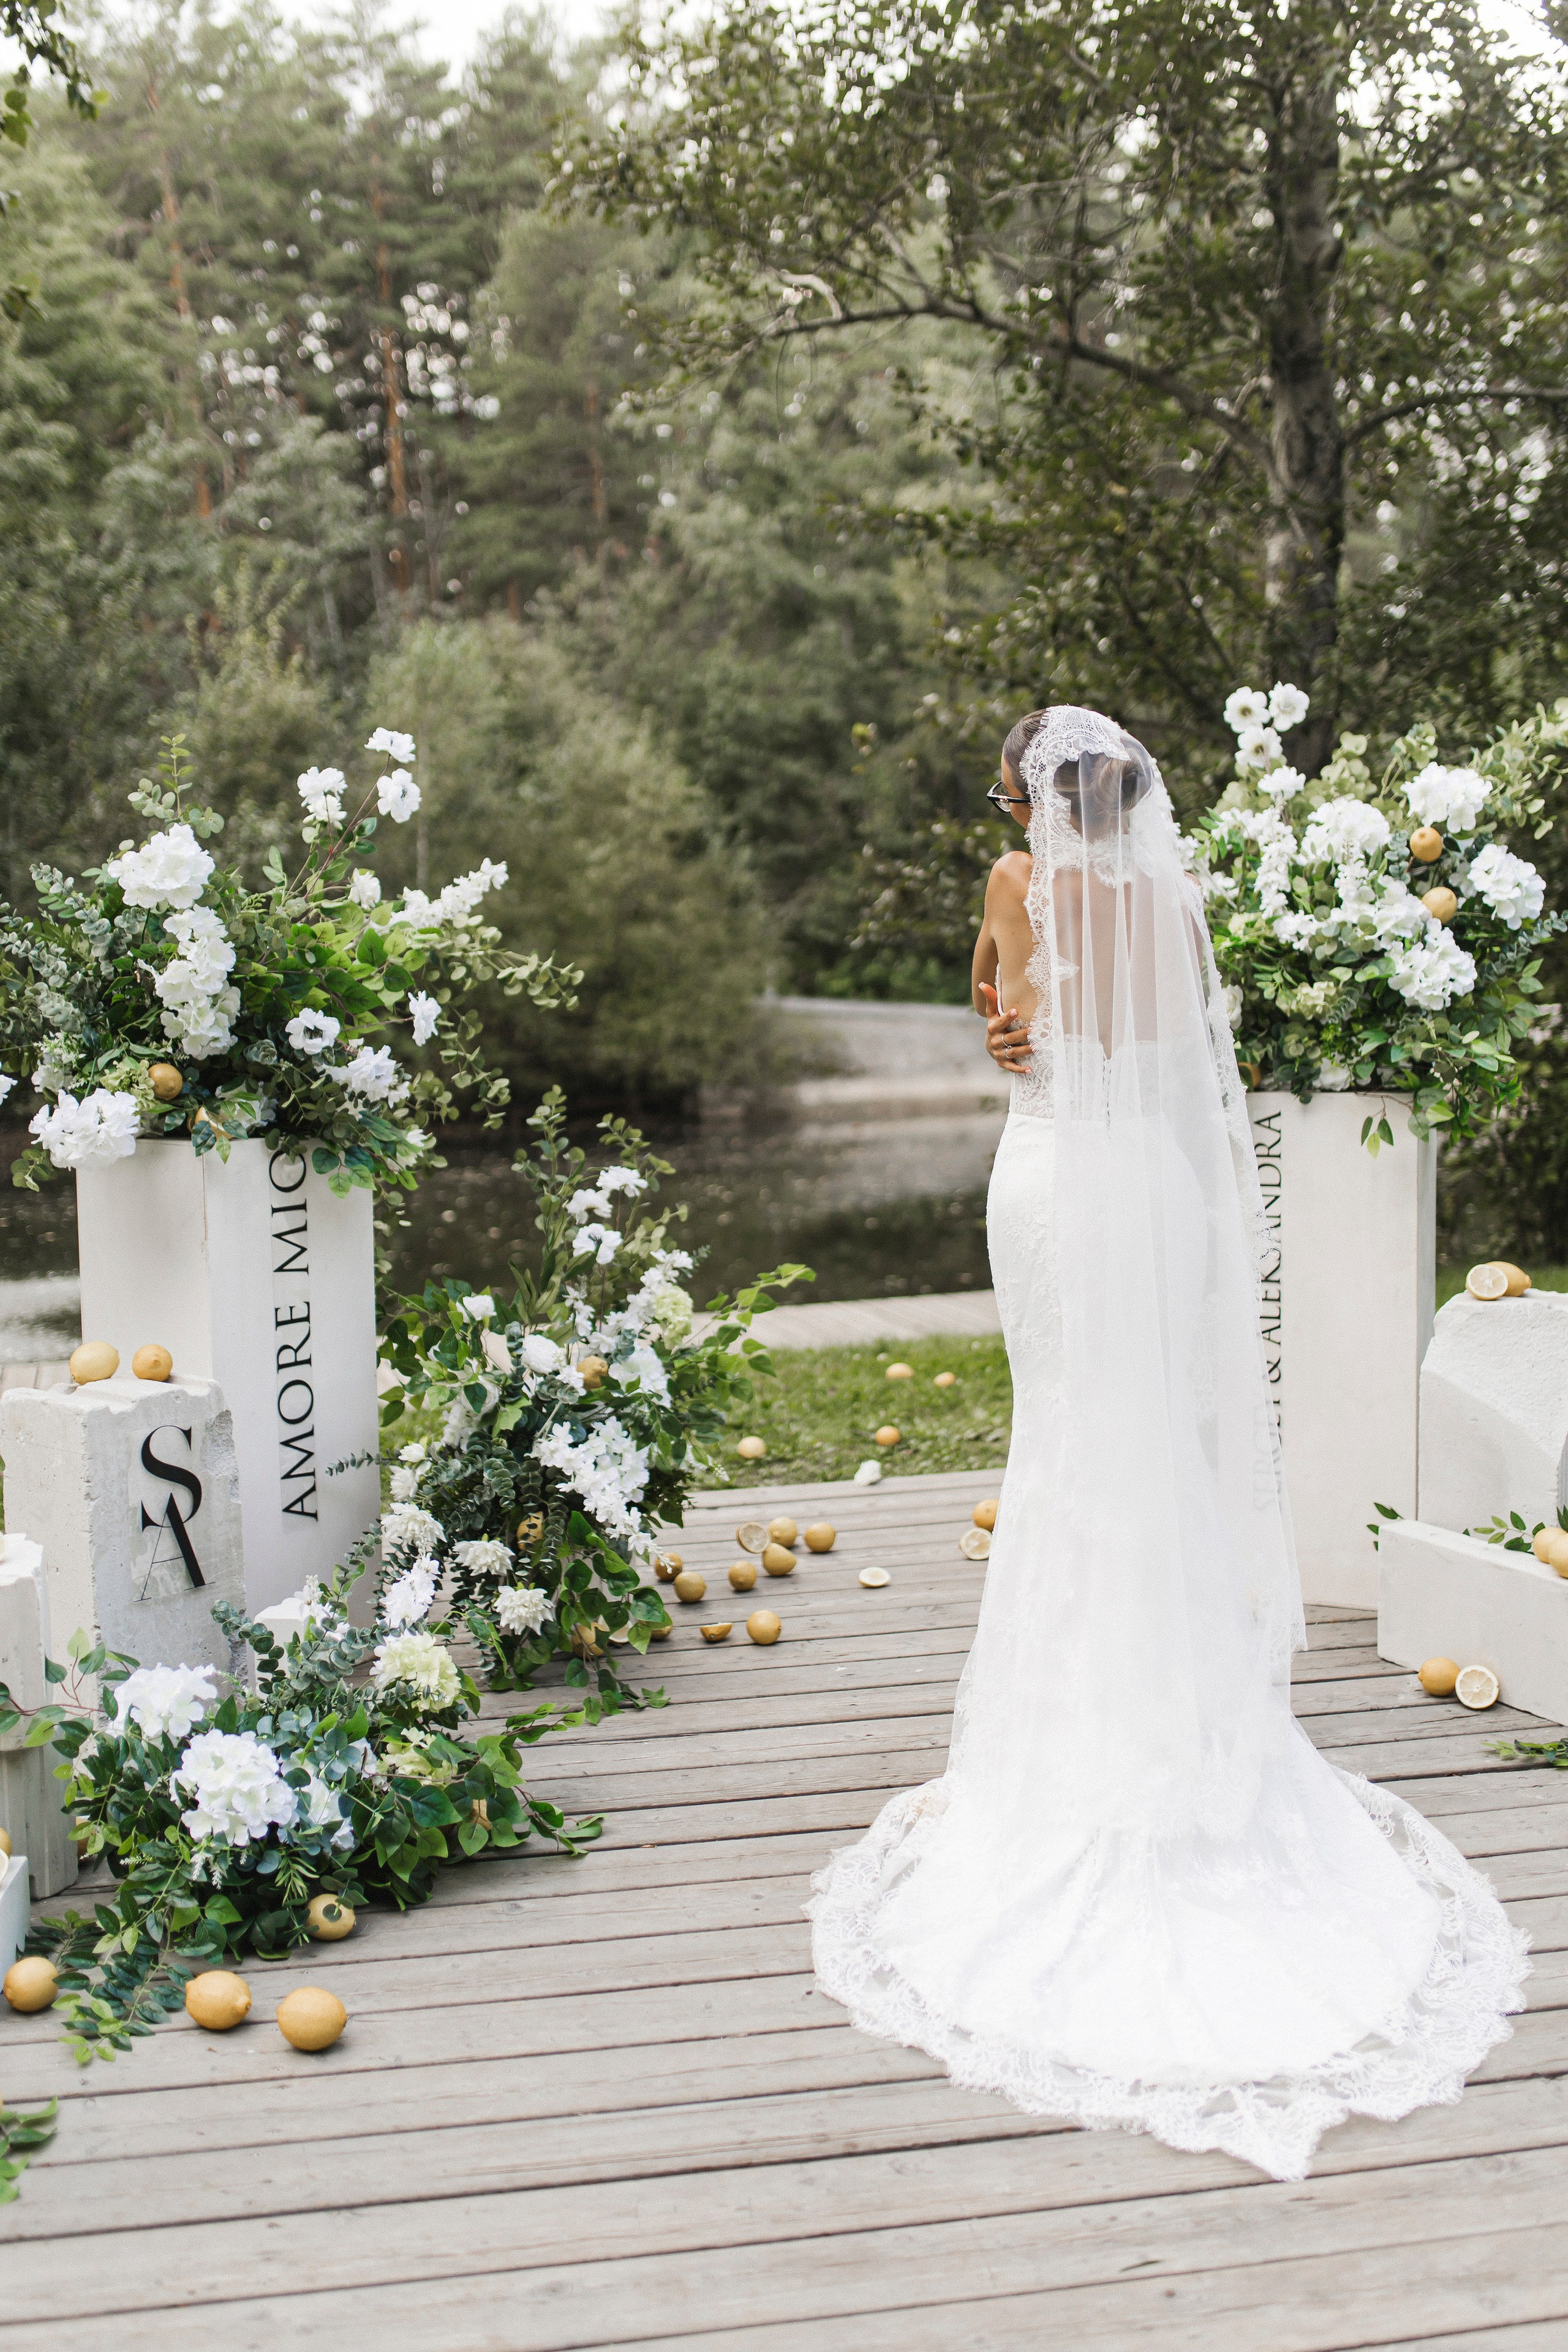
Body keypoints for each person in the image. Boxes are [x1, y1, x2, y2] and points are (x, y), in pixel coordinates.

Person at [808, 703, 1526, 2181]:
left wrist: (989, 990)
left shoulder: (1020, 886)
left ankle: (1072, 1754)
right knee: (1149, 1453)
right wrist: (1015, 1012)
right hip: (1155, 1192)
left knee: (1068, 1444)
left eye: (1005, 787)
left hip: (1061, 1181)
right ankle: (1183, 1729)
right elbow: (1116, 1042)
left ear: (1026, 796)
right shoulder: (1166, 899)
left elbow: (1014, 1028)